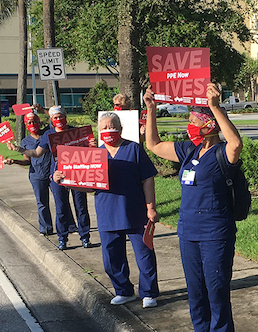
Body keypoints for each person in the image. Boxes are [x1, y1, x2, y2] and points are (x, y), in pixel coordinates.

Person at [143, 83, 242, 332]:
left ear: (209, 125)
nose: (189, 126)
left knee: (217, 291)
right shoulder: (189, 150)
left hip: (215, 234)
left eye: (193, 121)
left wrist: (216, 107)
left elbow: (236, 143)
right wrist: (152, 110)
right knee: (196, 293)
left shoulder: (222, 153)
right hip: (188, 234)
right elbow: (153, 144)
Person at [53, 112, 160, 308]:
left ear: (120, 129)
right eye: (104, 127)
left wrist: (150, 207)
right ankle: (123, 291)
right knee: (111, 256)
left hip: (135, 211)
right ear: (98, 131)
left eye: (112, 126)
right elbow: (86, 185)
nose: (108, 130)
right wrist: (64, 180)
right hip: (107, 212)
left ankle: (149, 292)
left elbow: (148, 179)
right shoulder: (95, 156)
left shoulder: (134, 149)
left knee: (144, 254)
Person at [7, 106, 92, 251]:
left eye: (61, 116)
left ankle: (85, 237)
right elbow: (36, 153)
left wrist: (92, 146)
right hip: (58, 176)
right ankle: (62, 239)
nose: (59, 120)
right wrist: (19, 149)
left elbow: (88, 151)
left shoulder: (75, 132)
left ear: (66, 117)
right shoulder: (48, 134)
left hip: (77, 175)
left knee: (81, 206)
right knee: (61, 207)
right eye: (55, 117)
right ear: (52, 120)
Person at [4, 112, 54, 235]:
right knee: (42, 202)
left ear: (39, 122)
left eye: (35, 121)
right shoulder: (25, 142)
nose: (33, 124)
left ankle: (69, 226)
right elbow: (27, 161)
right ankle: (46, 228)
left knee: (61, 201)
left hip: (52, 173)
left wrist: (42, 110)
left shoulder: (47, 133)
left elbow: (54, 119)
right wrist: (14, 161)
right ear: (26, 125)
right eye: (29, 122)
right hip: (36, 175)